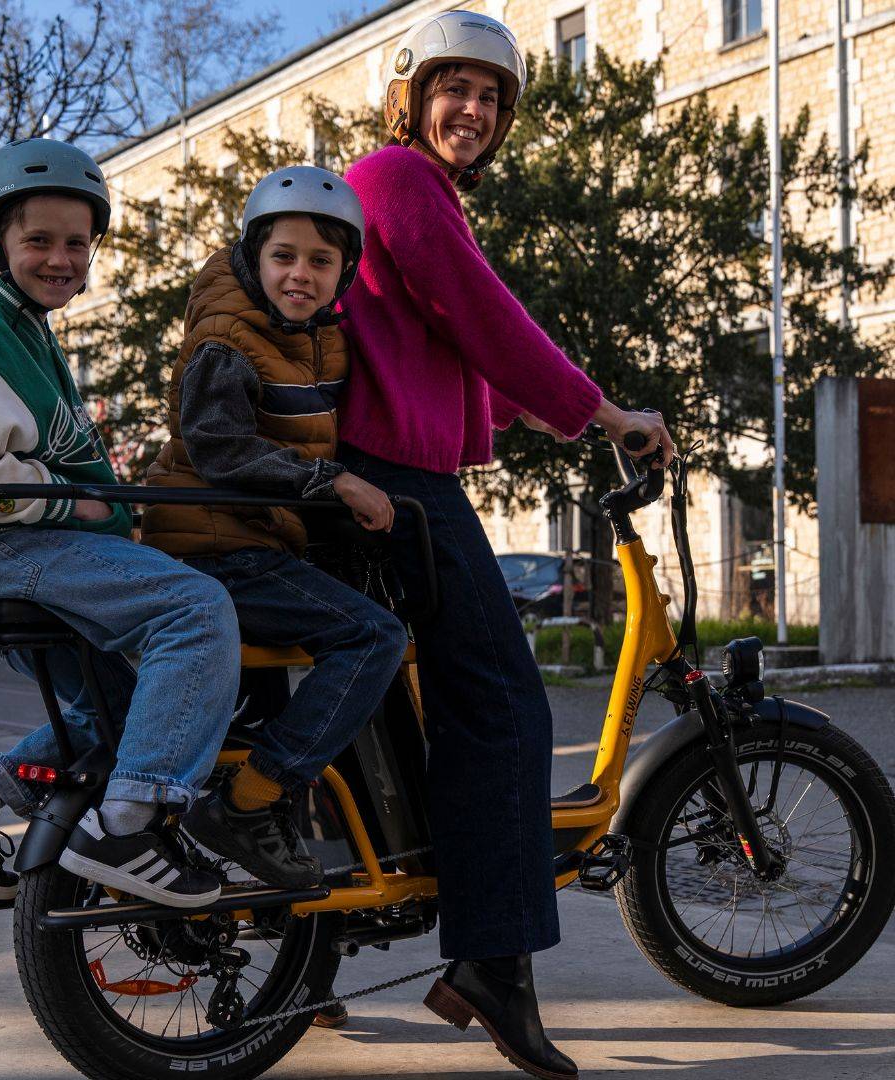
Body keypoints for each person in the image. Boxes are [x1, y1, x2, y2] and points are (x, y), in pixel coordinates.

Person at [338, 13, 677, 1079]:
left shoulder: (406, 195)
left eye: (492, 97)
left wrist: (547, 410)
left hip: (387, 476)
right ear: (410, 95)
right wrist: (600, 412)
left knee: (390, 712)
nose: (474, 112)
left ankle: (307, 960)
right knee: (504, 704)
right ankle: (493, 964)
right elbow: (479, 314)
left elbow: (448, 344)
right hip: (398, 485)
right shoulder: (397, 177)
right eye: (455, 88)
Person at [0, 138, 244, 910]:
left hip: (7, 552)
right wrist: (71, 501)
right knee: (195, 611)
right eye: (38, 240)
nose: (60, 258)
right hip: (1, 549)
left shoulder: (29, 333)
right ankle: (127, 823)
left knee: (117, 707)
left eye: (76, 243)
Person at [142, 166, 410, 892]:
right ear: (253, 257)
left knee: (270, 718)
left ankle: (302, 970)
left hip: (253, 543)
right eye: (284, 256)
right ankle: (245, 807)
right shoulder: (227, 337)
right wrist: (333, 483)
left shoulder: (313, 334)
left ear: (345, 272)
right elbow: (219, 447)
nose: (301, 274)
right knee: (372, 638)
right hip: (218, 548)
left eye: (321, 261)